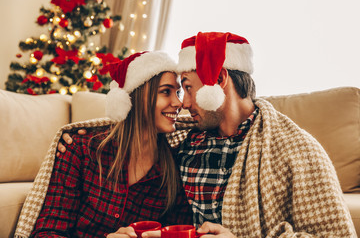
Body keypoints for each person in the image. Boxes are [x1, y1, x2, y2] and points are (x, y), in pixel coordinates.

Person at [55, 32, 357, 238]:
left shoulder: (297, 151)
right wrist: (82, 136)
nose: (183, 102)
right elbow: (138, 127)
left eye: (187, 87)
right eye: (177, 90)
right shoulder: (183, 142)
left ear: (220, 79)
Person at [14, 51, 193, 238]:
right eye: (166, 92)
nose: (178, 102)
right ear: (136, 97)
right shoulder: (82, 149)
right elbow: (47, 233)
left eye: (178, 92)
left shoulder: (174, 165)